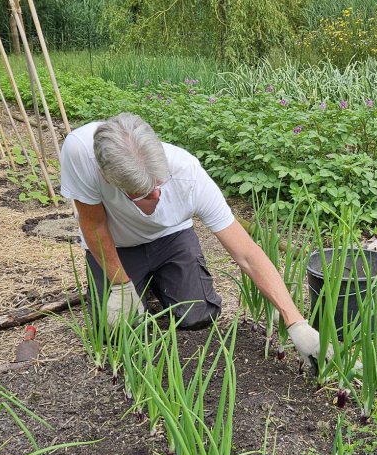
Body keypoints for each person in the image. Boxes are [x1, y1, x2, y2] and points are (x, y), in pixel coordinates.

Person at [59, 112, 323, 372]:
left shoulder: (187, 174)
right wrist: (121, 285)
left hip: (170, 237)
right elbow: (94, 224)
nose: (157, 195)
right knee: (115, 334)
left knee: (199, 315)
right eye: (143, 194)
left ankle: (152, 282)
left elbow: (248, 255)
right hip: (117, 244)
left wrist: (295, 321)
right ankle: (137, 284)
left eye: (159, 184)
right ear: (109, 178)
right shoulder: (80, 153)